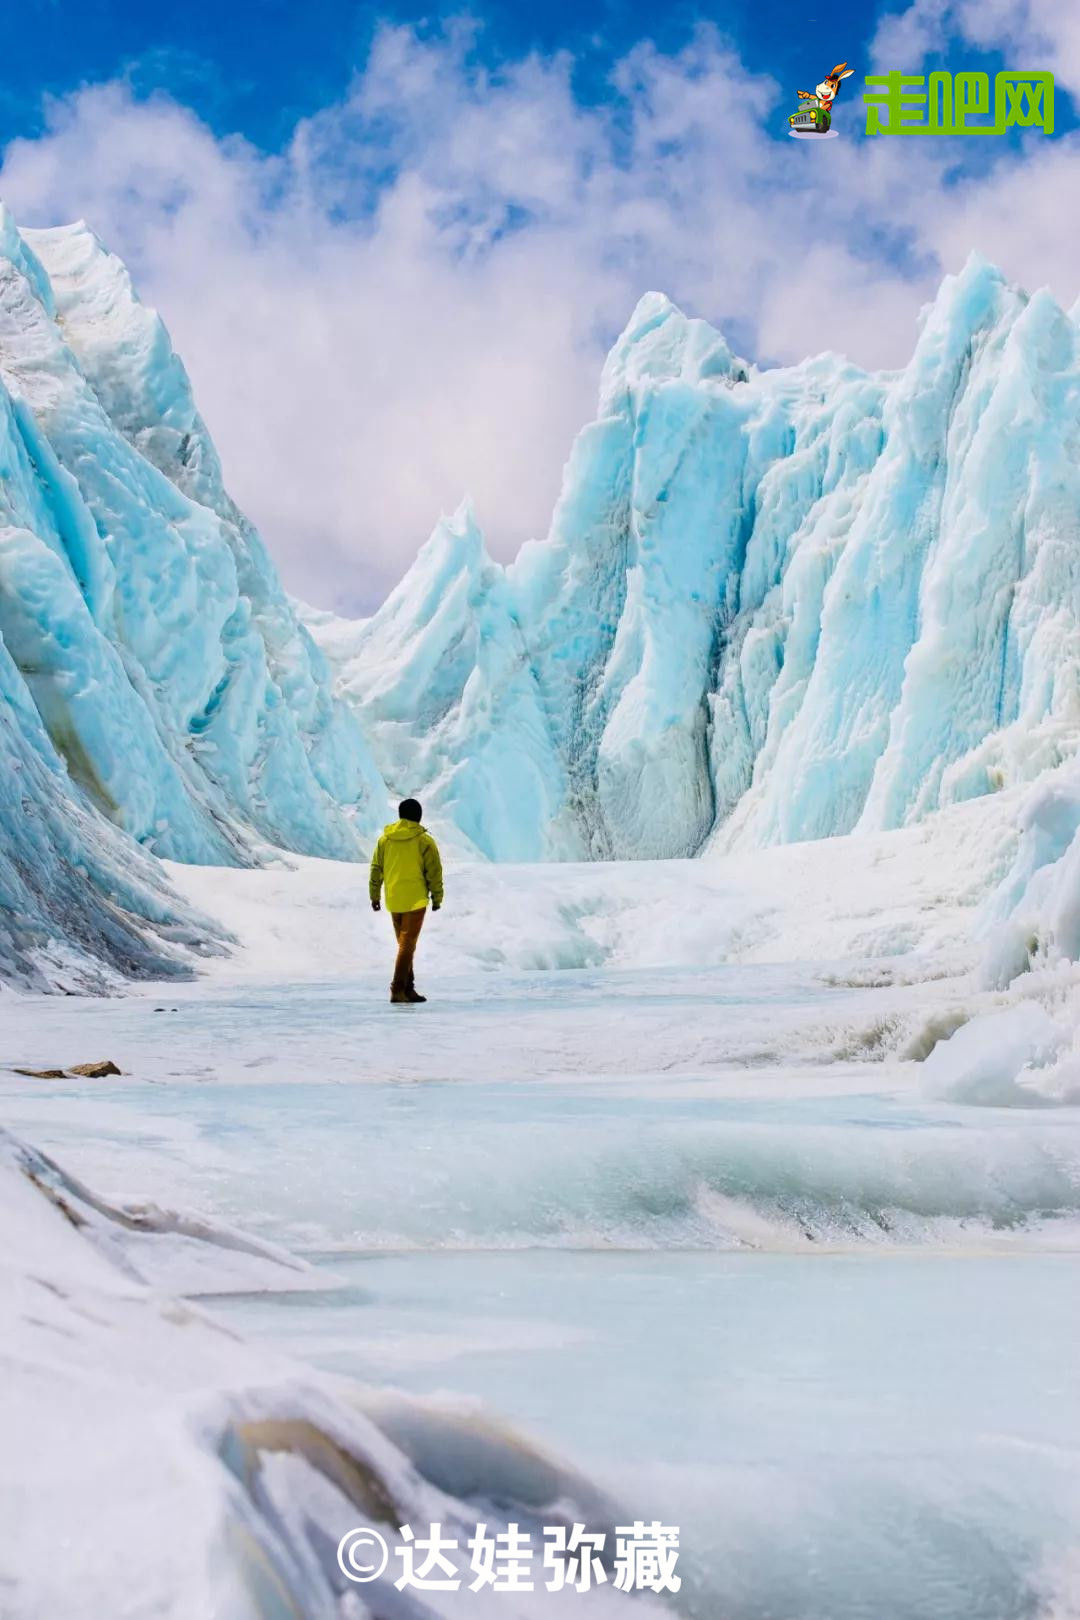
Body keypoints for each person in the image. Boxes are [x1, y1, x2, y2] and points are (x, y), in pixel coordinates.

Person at [369, 799, 444, 1004]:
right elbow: (434, 872)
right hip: (416, 900)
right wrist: (437, 897)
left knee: (404, 944)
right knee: (407, 945)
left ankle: (409, 989)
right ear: (418, 816)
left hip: (394, 899)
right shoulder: (424, 841)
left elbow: (376, 868)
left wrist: (375, 895)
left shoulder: (385, 840)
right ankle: (398, 988)